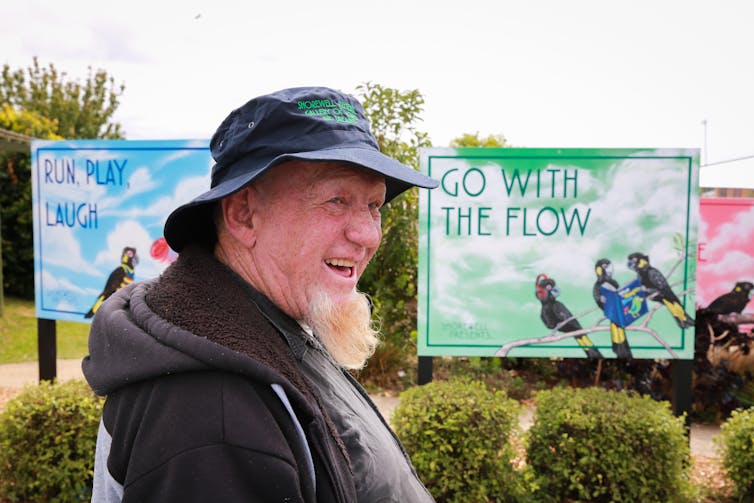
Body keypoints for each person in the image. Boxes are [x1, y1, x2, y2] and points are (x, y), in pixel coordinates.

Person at [83, 86, 439, 502]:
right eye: (336, 199)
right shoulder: (214, 417)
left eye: (374, 206)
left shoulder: (270, 326)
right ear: (243, 215)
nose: (367, 234)